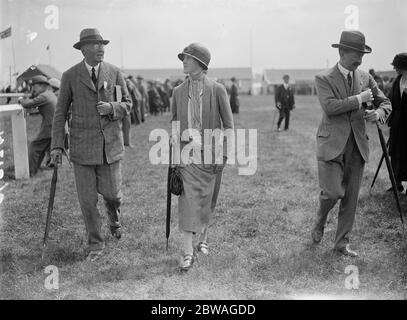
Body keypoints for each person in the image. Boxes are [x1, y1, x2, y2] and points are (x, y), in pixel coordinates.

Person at [50, 28, 132, 261]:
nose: (101, 49)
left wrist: (113, 109)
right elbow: (60, 113)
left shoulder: (115, 73)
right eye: (95, 45)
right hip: (82, 148)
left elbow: (128, 103)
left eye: (103, 45)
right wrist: (57, 145)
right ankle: (95, 244)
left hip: (110, 148)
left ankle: (114, 218)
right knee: (87, 201)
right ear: (83, 49)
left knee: (112, 195)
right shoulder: (70, 76)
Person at [311, 30, 391, 257]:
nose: (360, 59)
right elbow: (330, 107)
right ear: (342, 52)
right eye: (356, 54)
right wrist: (359, 99)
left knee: (350, 198)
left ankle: (341, 244)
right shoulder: (323, 78)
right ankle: (320, 219)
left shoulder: (366, 77)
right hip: (331, 144)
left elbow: (385, 102)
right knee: (333, 192)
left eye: (363, 55)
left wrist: (379, 112)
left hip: (357, 145)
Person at [171, 43, 234, 271]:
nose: (184, 62)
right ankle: (187, 252)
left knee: (208, 201)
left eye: (188, 58)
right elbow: (175, 124)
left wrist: (224, 153)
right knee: (187, 201)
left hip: (212, 156)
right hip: (187, 157)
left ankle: (203, 240)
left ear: (201, 64)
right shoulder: (178, 92)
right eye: (183, 59)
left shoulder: (217, 89)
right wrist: (175, 155)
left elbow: (228, 125)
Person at [18, 75, 57, 176]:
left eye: (34, 87)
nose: (33, 89)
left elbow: (28, 104)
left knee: (35, 147)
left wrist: (21, 99)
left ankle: (30, 172)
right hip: (56, 127)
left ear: (41, 86)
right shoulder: (49, 94)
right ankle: (34, 169)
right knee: (40, 148)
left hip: (50, 127)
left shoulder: (44, 96)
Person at [388, 53, 407, 193]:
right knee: (395, 152)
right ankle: (397, 183)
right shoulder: (397, 81)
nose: (394, 68)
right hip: (397, 123)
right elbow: (390, 101)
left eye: (396, 65)